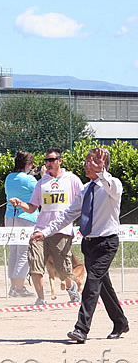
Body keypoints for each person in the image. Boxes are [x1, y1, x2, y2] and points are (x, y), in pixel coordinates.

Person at [30, 147, 129, 343]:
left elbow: (113, 187)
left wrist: (102, 172)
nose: (85, 165)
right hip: (89, 244)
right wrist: (45, 231)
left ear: (101, 165)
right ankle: (120, 322)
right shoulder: (85, 189)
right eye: (86, 162)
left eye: (89, 162)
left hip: (107, 242)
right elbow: (67, 215)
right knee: (103, 286)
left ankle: (81, 328)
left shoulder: (112, 185)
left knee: (92, 282)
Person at [9, 147, 83, 305]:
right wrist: (20, 203)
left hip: (62, 230)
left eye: (51, 160)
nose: (48, 163)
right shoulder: (41, 183)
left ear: (59, 161)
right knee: (34, 263)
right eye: (46, 161)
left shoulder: (71, 179)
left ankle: (71, 290)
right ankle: (41, 298)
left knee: (63, 269)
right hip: (40, 230)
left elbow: (83, 199)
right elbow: (32, 207)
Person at [4, 151, 39, 297]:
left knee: (14, 252)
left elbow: (22, 182)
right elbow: (39, 190)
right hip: (26, 217)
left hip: (10, 217)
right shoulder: (30, 180)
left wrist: (31, 174)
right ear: (28, 164)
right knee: (24, 253)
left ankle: (14, 286)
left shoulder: (9, 178)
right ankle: (18, 287)